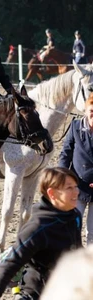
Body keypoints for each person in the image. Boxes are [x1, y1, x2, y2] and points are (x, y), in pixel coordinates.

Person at [0, 167, 83, 300]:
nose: (76, 191)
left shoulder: (74, 215)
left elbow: (77, 250)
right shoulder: (38, 227)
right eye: (69, 188)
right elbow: (9, 265)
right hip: (38, 293)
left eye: (76, 186)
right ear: (52, 193)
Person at [58, 94, 93, 245]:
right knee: (73, 228)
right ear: (86, 110)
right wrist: (61, 178)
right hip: (77, 186)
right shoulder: (76, 126)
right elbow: (66, 153)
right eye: (91, 110)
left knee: (92, 232)